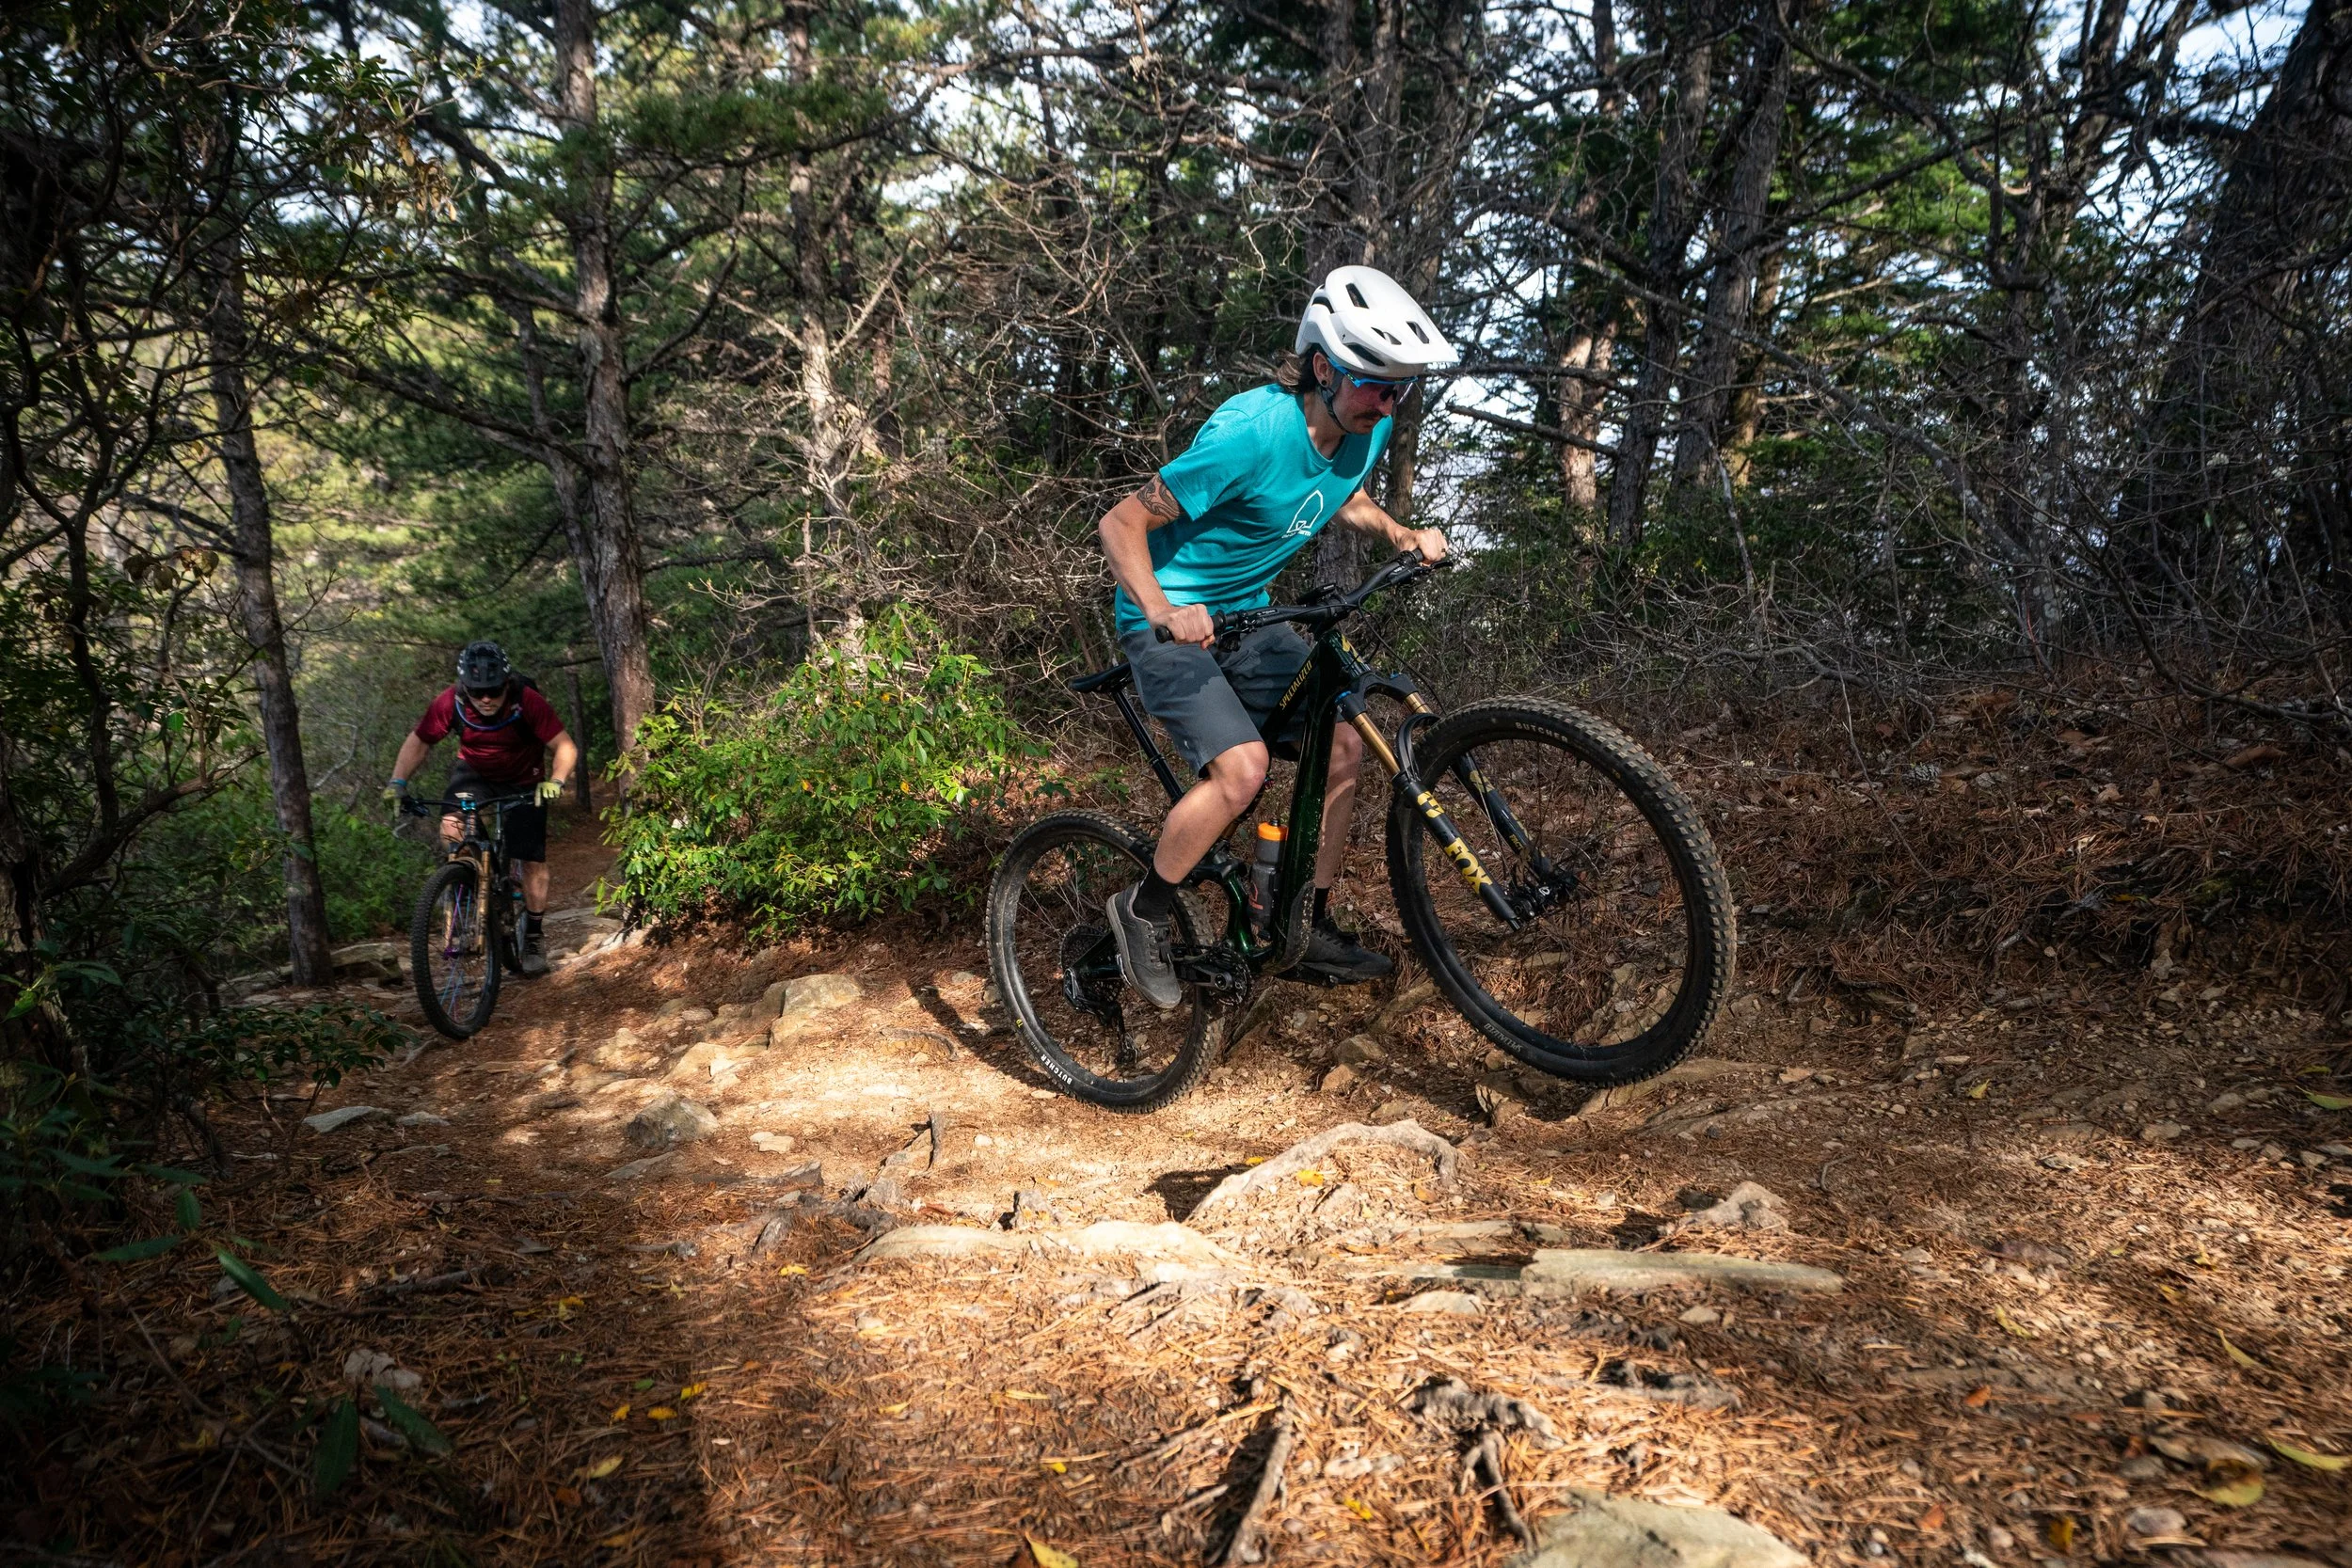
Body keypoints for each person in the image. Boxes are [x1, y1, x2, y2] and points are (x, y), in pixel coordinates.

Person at [1098, 265, 1456, 1008]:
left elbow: (1334, 491)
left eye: (1402, 388)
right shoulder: (1250, 434)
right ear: (1324, 367)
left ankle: (1304, 923)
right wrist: (1165, 609)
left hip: (1249, 617)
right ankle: (1143, 911)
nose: (1390, 403)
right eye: (1377, 384)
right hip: (1168, 622)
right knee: (1243, 771)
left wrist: (1395, 531)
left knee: (1346, 736)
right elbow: (1120, 523)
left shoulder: (1365, 425)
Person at [385, 641, 579, 977]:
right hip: (475, 773)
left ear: (506, 684)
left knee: (531, 859)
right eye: (477, 692)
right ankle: (467, 887)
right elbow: (420, 741)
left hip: (524, 779)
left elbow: (564, 746)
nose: (485, 699)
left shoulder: (526, 701)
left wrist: (557, 782)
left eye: (493, 691)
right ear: (465, 688)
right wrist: (398, 783)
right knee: (451, 826)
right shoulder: (451, 701)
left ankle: (533, 936)